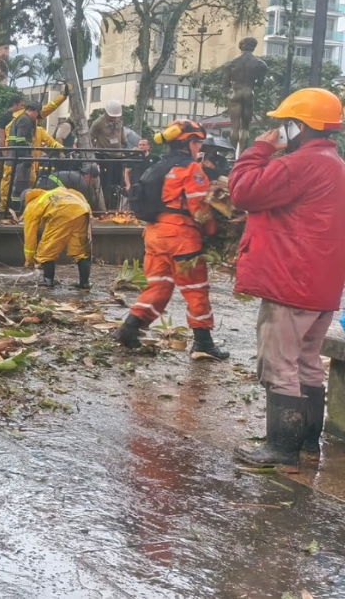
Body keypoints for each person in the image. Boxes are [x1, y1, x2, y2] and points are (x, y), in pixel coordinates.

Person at [230, 88, 345, 468]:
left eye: (284, 123)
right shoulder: (336, 164)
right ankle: (308, 442)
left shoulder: (300, 164)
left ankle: (281, 448)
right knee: (308, 362)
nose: (280, 129)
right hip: (322, 287)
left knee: (279, 364)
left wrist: (259, 149)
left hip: (290, 282)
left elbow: (243, 191)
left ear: (298, 126)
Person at [115, 119, 229, 360]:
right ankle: (203, 343)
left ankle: (129, 329)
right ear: (187, 143)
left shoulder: (157, 166)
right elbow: (200, 208)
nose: (199, 147)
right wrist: (212, 231)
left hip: (154, 235)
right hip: (181, 237)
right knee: (196, 289)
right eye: (197, 142)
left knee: (159, 285)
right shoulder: (190, 169)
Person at [0, 88, 68, 209]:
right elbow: (11, 139)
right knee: (9, 183)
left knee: (23, 183)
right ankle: (5, 209)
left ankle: (18, 207)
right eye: (21, 105)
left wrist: (62, 96)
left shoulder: (27, 120)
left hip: (22, 159)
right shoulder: (21, 119)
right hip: (18, 158)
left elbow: (48, 109)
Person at [20, 185, 93, 289]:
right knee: (80, 251)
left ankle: (48, 281)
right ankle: (85, 283)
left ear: (24, 202)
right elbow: (77, 194)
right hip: (81, 211)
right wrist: (89, 214)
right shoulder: (56, 192)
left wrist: (29, 260)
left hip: (60, 214)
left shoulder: (32, 205)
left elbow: (29, 234)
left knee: (46, 251)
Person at [224, 37, 270, 154]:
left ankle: (231, 154)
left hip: (236, 93)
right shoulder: (261, 64)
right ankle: (242, 155)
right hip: (249, 93)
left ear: (241, 46)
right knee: (245, 128)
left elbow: (225, 84)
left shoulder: (231, 64)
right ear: (253, 47)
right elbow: (260, 84)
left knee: (235, 127)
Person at [89, 100, 129, 211]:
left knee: (117, 182)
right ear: (107, 113)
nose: (114, 119)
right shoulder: (98, 123)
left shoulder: (120, 121)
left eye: (116, 117)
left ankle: (115, 207)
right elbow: (90, 138)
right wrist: (93, 153)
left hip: (118, 156)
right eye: (112, 117)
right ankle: (104, 206)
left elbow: (121, 135)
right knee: (106, 182)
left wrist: (125, 145)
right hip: (104, 157)